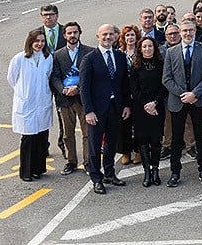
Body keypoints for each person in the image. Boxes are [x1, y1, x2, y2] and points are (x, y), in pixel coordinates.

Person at [80, 24, 131, 194]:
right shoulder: (89, 59)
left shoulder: (119, 56)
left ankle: (109, 173)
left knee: (111, 143)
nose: (108, 37)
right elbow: (84, 88)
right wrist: (88, 111)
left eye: (111, 34)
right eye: (104, 35)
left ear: (116, 36)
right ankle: (96, 178)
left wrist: (126, 105)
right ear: (98, 36)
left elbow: (124, 84)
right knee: (95, 145)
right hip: (96, 110)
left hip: (115, 108)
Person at [162, 19, 202, 187]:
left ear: (195, 31)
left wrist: (194, 94)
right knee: (177, 139)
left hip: (198, 100)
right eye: (184, 31)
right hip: (178, 100)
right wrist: (183, 94)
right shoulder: (171, 52)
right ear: (179, 32)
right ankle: (175, 172)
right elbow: (166, 78)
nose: (187, 33)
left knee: (200, 137)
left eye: (190, 30)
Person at [8, 29, 54, 182]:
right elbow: (12, 79)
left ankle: (39, 169)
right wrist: (24, 94)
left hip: (42, 103)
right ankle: (26, 172)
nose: (39, 44)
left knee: (41, 137)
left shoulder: (48, 58)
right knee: (28, 138)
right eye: (37, 41)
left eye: (42, 41)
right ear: (30, 42)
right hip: (26, 104)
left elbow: (48, 77)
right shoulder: (19, 59)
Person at [51, 21, 92, 176]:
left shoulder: (89, 51)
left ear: (79, 33)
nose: (72, 35)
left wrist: (79, 89)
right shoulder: (58, 54)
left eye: (75, 32)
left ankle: (88, 162)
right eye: (69, 33)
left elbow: (91, 76)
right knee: (68, 133)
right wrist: (63, 89)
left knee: (87, 132)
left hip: (83, 98)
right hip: (65, 98)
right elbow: (55, 76)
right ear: (64, 35)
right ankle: (71, 161)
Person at [130, 36, 167, 187]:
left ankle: (156, 170)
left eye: (150, 46)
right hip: (140, 108)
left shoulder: (161, 64)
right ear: (140, 49)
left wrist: (155, 103)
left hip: (157, 107)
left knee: (156, 140)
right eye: (144, 47)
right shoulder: (135, 66)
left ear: (154, 48)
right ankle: (147, 171)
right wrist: (146, 104)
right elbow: (134, 88)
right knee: (143, 140)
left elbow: (164, 86)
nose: (147, 49)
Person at [117, 25, 141, 165]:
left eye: (132, 35)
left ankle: (138, 151)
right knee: (124, 124)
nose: (130, 38)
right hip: (123, 93)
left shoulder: (140, 53)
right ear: (123, 38)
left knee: (138, 124)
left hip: (138, 93)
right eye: (127, 35)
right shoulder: (119, 54)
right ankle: (126, 152)